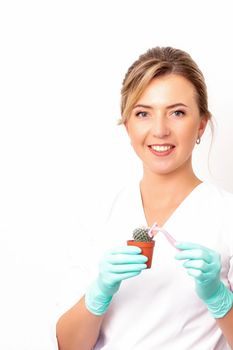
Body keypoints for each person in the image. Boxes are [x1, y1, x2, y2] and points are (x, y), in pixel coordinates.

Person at [56, 46, 233, 349]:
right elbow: (68, 345)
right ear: (127, 125)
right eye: (143, 113)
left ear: (201, 123)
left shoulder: (226, 215)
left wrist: (220, 299)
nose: (160, 130)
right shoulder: (99, 215)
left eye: (177, 112)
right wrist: (98, 294)